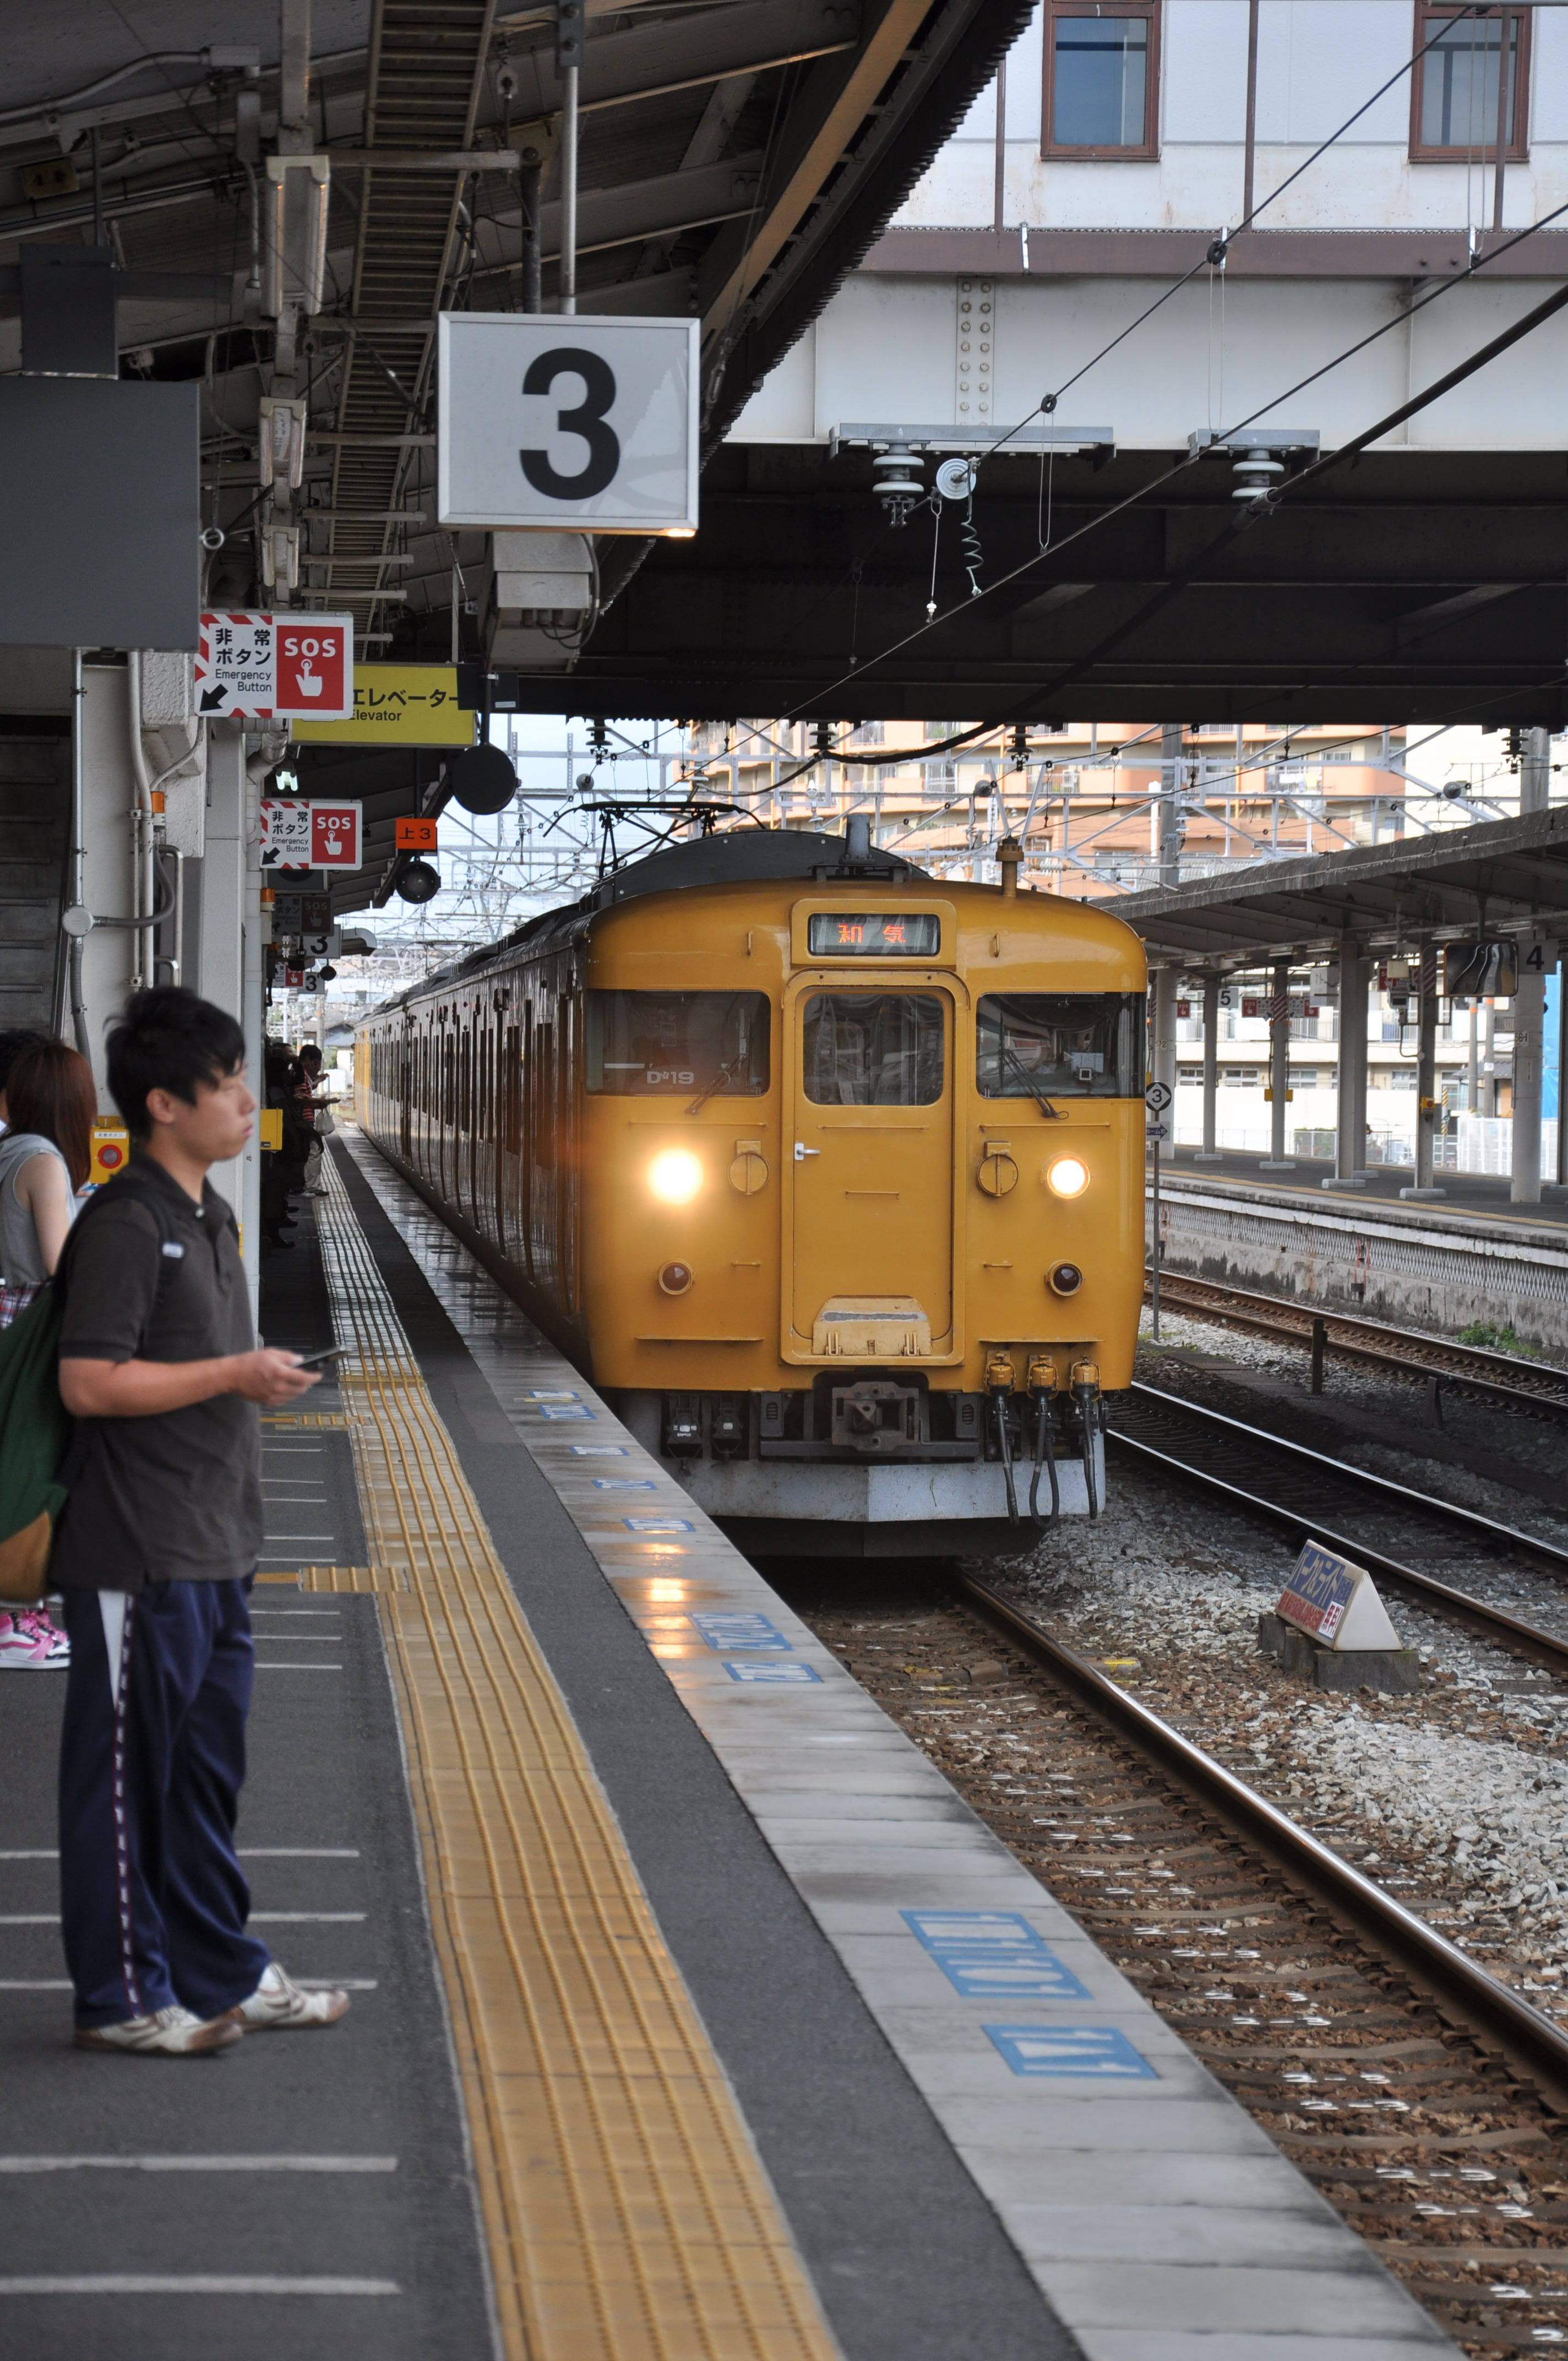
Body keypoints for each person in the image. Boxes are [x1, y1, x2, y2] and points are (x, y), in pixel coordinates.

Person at [52, 987, 351, 2055]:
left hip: (217, 1548)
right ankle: (122, 1996)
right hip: (138, 1551)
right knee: (124, 1789)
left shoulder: (209, 1214)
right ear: (164, 1104)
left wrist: (246, 1374)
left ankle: (221, 1970)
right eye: (223, 1083)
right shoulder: (130, 1223)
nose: (242, 1099)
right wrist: (232, 1372)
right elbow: (88, 1381)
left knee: (201, 1781)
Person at [0, 1038, 95, 1668]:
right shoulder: (43, 1160)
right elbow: (63, 1264)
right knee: (31, 1471)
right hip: (32, 1327)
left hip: (8, 1317)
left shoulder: (9, 1150)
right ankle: (16, 1623)